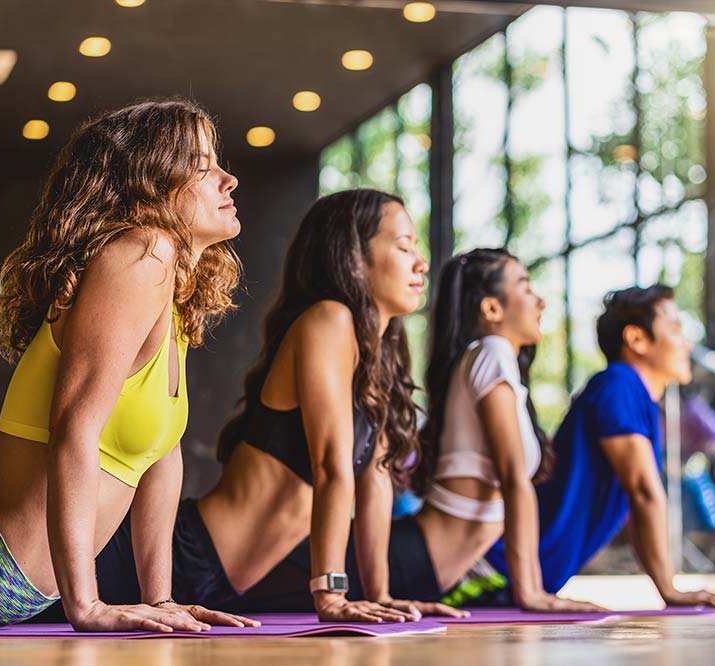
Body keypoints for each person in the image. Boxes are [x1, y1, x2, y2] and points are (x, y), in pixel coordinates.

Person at [0, 99, 257, 632]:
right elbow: (75, 429)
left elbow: (160, 456)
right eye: (202, 166)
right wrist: (84, 606)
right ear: (151, 183)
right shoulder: (144, 254)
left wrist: (161, 600)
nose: (227, 179)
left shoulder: (173, 295)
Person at [94, 189, 457, 622]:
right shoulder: (328, 319)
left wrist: (381, 594)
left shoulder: (377, 354)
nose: (422, 262)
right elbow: (331, 467)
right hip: (176, 556)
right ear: (355, 256)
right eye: (403, 246)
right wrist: (331, 594)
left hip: (220, 585)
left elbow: (375, 480)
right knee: (24, 605)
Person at [234, 248, 602, 613]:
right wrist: (531, 592)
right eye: (525, 286)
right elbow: (513, 480)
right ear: (491, 309)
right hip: (412, 560)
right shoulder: (492, 352)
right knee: (237, 586)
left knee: (247, 583)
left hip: (421, 563)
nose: (539, 300)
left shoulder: (487, 359)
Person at [483, 285, 715, 609]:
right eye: (675, 329)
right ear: (636, 339)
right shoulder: (619, 384)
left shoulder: (634, 394)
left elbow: (639, 499)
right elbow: (643, 491)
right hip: (486, 571)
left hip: (514, 574)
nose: (686, 344)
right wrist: (670, 590)